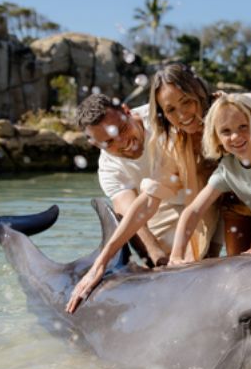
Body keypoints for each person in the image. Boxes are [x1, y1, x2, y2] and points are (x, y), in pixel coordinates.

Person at [66, 64, 251, 313]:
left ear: (198, 92)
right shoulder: (175, 140)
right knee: (236, 281)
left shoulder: (248, 109)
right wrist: (102, 262)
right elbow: (148, 203)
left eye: (187, 102)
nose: (182, 115)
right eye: (171, 110)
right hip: (221, 201)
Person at [168, 95, 251, 264]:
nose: (235, 137)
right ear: (216, 137)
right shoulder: (227, 171)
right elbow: (193, 211)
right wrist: (176, 255)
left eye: (243, 127)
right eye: (226, 131)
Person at [75, 93, 177, 266]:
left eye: (122, 129)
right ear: (94, 143)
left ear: (126, 111)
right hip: (159, 208)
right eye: (108, 142)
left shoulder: (164, 118)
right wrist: (160, 262)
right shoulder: (109, 169)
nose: (123, 143)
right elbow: (131, 218)